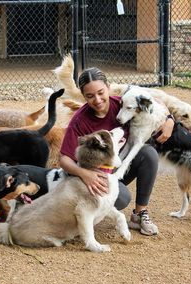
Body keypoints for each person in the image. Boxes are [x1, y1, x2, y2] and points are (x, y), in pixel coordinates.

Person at [59, 67, 174, 236]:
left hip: (118, 168)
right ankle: (89, 211)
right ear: (83, 96)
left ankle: (139, 214)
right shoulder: (80, 120)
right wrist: (84, 174)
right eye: (89, 96)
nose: (97, 100)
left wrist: (169, 119)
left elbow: (156, 101)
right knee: (121, 198)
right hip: (96, 175)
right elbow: (64, 159)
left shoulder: (123, 103)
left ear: (108, 87)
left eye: (100, 92)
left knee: (148, 153)